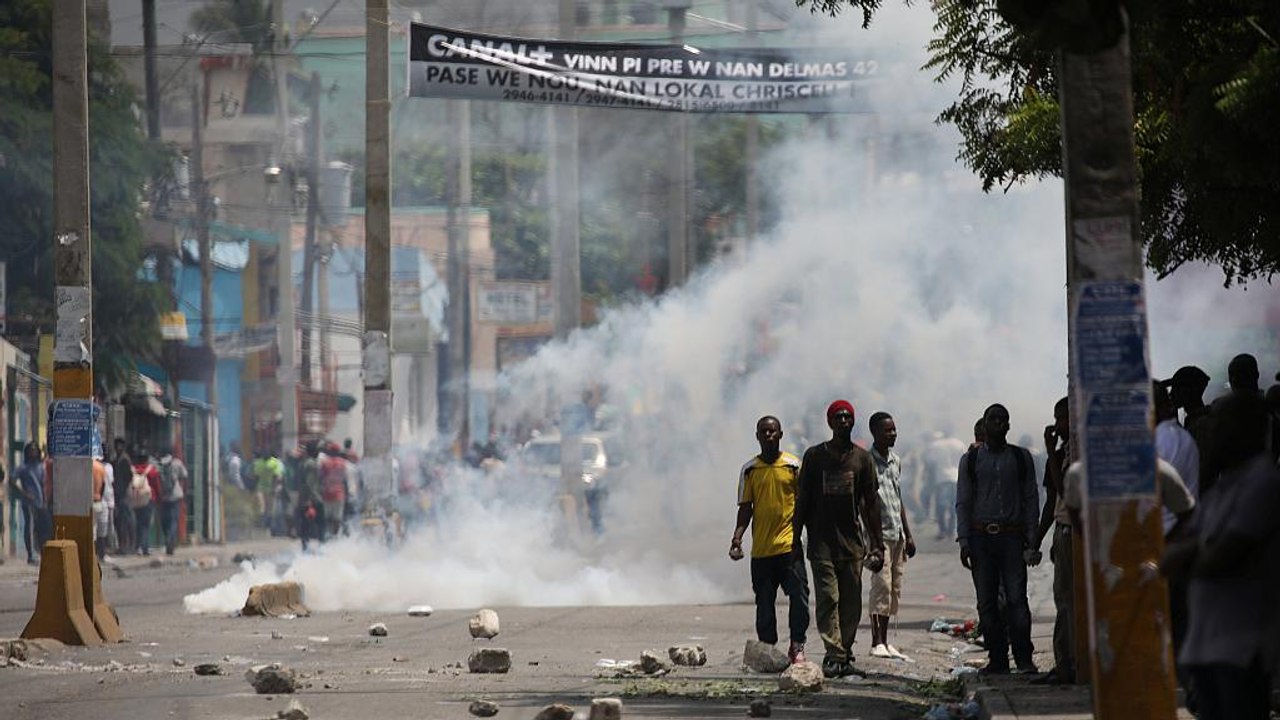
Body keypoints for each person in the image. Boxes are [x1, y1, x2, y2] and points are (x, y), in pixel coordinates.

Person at [1162, 392, 1278, 720]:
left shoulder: (1262, 484)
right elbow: (1186, 546)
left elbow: (1221, 556)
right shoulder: (1224, 487)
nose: (1212, 433)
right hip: (1208, 644)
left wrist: (1189, 556)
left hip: (1242, 648)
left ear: (1247, 429)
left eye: (1220, 425)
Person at [793, 400, 885, 679]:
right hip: (821, 544)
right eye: (838, 417)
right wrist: (795, 538)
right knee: (828, 599)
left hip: (853, 545)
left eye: (848, 417)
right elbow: (803, 500)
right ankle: (834, 655)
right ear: (830, 422)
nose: (844, 421)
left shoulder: (862, 459)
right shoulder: (814, 457)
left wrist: (877, 544)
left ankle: (844, 653)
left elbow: (871, 504)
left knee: (851, 604)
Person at [956, 403, 1040, 675]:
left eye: (1004, 420)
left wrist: (1032, 538)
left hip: (1012, 539)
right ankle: (998, 659)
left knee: (1017, 599)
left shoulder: (1020, 457)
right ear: (984, 423)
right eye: (994, 419)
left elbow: (1031, 498)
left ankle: (1024, 659)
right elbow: (964, 502)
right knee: (987, 602)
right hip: (981, 539)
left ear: (1008, 425)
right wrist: (964, 540)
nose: (999, 424)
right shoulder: (970, 461)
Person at [729, 415, 810, 665]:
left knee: (799, 597)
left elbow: (804, 505)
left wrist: (804, 536)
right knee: (764, 603)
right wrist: (737, 538)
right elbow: (746, 507)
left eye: (772, 431)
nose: (768, 435)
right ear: (757, 436)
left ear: (781, 435)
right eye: (763, 432)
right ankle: (768, 648)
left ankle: (797, 645)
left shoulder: (794, 466)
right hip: (762, 551)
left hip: (789, 547)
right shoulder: (750, 469)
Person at [1031, 397, 1074, 684]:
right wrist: (1036, 540)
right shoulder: (1061, 454)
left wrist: (1051, 452)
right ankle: (1065, 661)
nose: (1057, 425)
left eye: (1062, 418)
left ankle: (1069, 664)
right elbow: (1051, 502)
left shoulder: (1076, 454)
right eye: (1056, 418)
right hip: (1063, 529)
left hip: (1074, 530)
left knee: (1069, 600)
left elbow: (1065, 492)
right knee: (1064, 599)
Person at [866, 411, 915, 660]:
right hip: (878, 535)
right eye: (888, 430)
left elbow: (898, 498)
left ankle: (886, 640)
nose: (893, 434)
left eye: (894, 429)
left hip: (896, 533)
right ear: (875, 432)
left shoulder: (895, 460)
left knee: (895, 586)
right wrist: (871, 540)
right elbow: (865, 502)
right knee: (881, 586)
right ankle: (876, 641)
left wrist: (907, 533)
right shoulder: (867, 462)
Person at [13, 442, 51, 565]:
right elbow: (12, 480)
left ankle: (41, 552)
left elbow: (43, 484)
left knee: (41, 529)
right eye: (31, 450)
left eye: (35, 450)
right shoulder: (23, 468)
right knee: (30, 527)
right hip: (28, 502)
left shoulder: (40, 467)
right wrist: (23, 493)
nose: (33, 452)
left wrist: (45, 499)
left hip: (40, 502)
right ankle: (31, 555)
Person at [925, 431, 967, 540]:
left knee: (941, 506)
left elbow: (930, 462)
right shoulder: (959, 444)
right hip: (955, 477)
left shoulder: (936, 445)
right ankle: (951, 530)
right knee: (954, 505)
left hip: (941, 478)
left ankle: (943, 530)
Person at [128, 451, 161, 556]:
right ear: (146, 460)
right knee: (145, 525)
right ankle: (144, 548)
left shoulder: (133, 470)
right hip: (148, 500)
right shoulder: (151, 471)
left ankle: (137, 547)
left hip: (136, 500)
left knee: (138, 524)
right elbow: (156, 486)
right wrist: (159, 498)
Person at [157, 448, 187, 555]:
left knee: (165, 521)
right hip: (175, 496)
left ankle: (169, 540)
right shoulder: (177, 463)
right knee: (173, 521)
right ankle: (170, 541)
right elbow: (184, 475)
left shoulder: (159, 465)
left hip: (164, 497)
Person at [296, 441, 325, 551]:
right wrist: (310, 501)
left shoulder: (303, 463)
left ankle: (305, 548)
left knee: (305, 527)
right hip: (313, 499)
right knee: (320, 525)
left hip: (304, 498)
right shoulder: (312, 464)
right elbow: (310, 483)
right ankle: (321, 548)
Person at [110, 438, 134, 554]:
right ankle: (122, 546)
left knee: (126, 520)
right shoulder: (116, 460)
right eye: (116, 446)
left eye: (120, 446)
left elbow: (129, 476)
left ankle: (128, 546)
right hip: (118, 495)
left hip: (124, 495)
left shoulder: (125, 460)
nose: (118, 448)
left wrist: (123, 489)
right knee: (119, 521)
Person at [92, 454, 114, 562]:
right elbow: (104, 485)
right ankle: (102, 553)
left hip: (88, 502)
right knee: (102, 529)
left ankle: (93, 554)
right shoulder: (101, 467)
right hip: (99, 501)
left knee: (93, 530)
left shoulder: (85, 466)